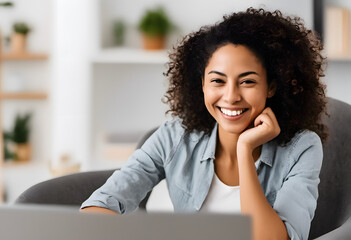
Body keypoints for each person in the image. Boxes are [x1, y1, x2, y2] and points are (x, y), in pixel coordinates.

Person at [81, 8, 328, 240]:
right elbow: (99, 207)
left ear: (271, 87)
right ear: (202, 84)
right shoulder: (174, 137)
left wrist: (244, 150)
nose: (231, 96)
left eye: (247, 82)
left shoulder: (302, 147)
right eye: (218, 81)